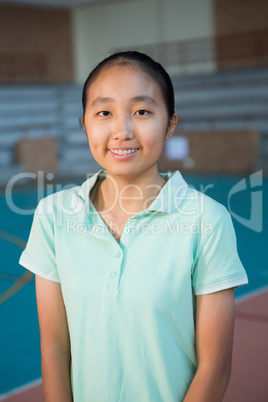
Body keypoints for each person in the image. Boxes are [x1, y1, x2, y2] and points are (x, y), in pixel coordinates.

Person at [19, 51, 248, 402]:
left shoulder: (207, 221)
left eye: (142, 112)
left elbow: (215, 367)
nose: (122, 131)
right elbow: (54, 348)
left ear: (170, 123)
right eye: (104, 113)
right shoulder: (53, 216)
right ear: (84, 124)